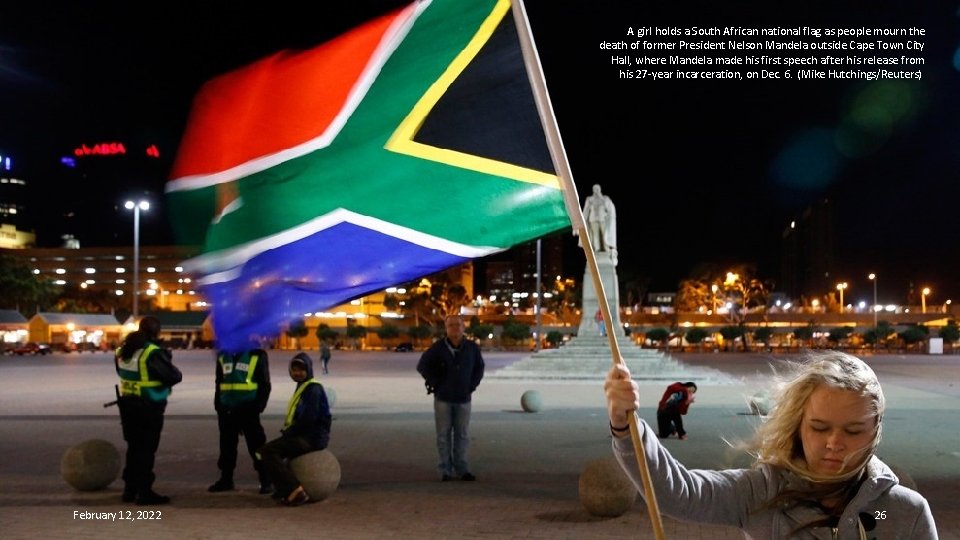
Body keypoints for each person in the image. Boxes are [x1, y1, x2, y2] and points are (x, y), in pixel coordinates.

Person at [604, 351, 938, 538]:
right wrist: (625, 425)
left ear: (876, 428)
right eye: (819, 428)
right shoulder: (762, 494)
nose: (835, 443)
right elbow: (679, 492)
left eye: (853, 431)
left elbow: (881, 516)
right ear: (798, 423)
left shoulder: (898, 512)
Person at [114, 316, 182, 505]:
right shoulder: (152, 352)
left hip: (127, 405)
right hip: (148, 406)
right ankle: (145, 492)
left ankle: (130, 490)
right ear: (156, 332)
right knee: (146, 449)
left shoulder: (123, 350)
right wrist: (166, 357)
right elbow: (174, 376)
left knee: (134, 447)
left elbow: (122, 373)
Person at [416, 314, 485, 482]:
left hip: (463, 398)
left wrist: (471, 386)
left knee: (462, 435)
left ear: (463, 327)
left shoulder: (471, 348)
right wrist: (435, 383)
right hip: (443, 399)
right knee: (443, 435)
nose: (455, 328)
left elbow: (479, 367)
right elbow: (422, 366)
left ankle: (462, 469)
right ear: (446, 329)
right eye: (451, 325)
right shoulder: (438, 348)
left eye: (458, 325)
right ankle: (445, 470)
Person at [258, 352, 332, 506]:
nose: (297, 373)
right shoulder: (304, 387)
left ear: (309, 370)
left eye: (301, 370)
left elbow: (308, 419)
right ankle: (284, 489)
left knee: (269, 451)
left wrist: (289, 434)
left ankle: (294, 491)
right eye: (294, 370)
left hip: (312, 438)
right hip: (307, 435)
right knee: (267, 451)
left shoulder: (313, 390)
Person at [208, 347, 272, 494]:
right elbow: (219, 382)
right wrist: (218, 406)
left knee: (257, 446)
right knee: (226, 446)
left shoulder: (257, 355)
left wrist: (257, 408)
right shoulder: (223, 355)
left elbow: (265, 384)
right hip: (227, 410)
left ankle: (265, 479)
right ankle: (226, 479)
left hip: (248, 409)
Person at [580, 184, 617, 263]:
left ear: (600, 189)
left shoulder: (604, 198)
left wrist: (602, 200)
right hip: (593, 219)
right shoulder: (589, 199)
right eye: (595, 189)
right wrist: (581, 222)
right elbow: (586, 211)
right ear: (593, 190)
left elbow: (609, 209)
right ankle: (597, 248)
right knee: (595, 235)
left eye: (597, 188)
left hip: (602, 219)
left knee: (605, 234)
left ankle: (606, 247)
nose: (596, 190)